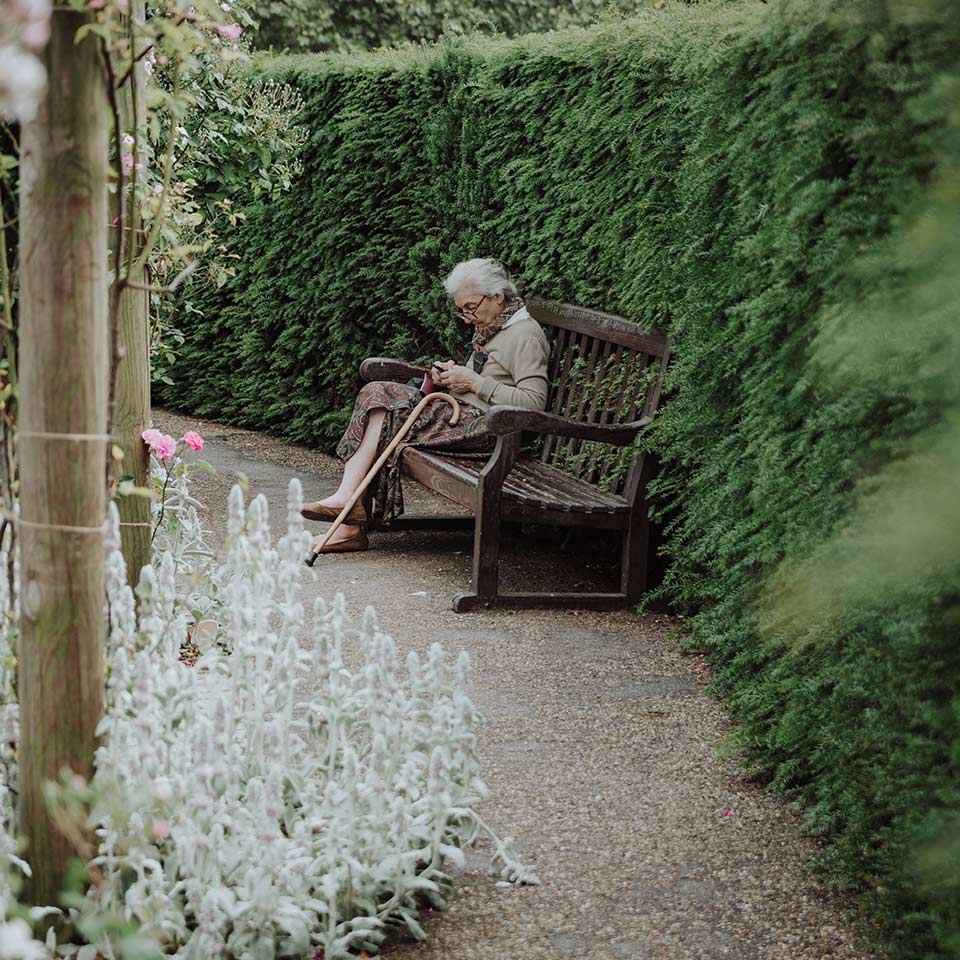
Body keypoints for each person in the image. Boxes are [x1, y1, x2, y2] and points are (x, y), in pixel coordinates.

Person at [303, 257, 550, 554]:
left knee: (383, 401)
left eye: (470, 307)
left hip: (492, 434)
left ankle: (348, 518)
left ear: (497, 296)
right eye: (461, 310)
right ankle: (348, 511)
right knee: (378, 397)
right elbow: (485, 379)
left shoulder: (525, 335)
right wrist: (449, 377)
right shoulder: (495, 325)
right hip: (463, 418)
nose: (467, 317)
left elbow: (534, 404)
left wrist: (474, 383)